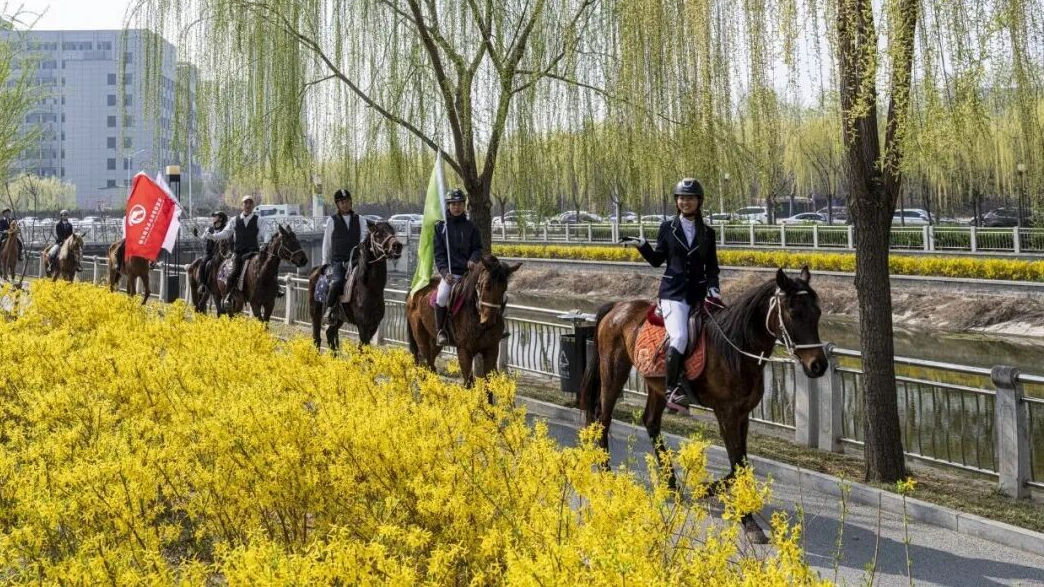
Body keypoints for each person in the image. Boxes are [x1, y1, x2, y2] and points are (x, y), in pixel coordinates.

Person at [623, 178, 721, 407]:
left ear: (699, 201)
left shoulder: (708, 233)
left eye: (690, 198)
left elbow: (712, 267)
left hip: (699, 294)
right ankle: (672, 388)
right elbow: (657, 261)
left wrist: (714, 290)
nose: (685, 202)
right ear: (676, 201)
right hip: (674, 294)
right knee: (680, 336)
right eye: (681, 198)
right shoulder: (667, 228)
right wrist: (642, 245)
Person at [433, 188, 482, 346]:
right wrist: (444, 273)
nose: (457, 207)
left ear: (464, 206)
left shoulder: (471, 227)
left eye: (460, 204)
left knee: (491, 292)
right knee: (441, 297)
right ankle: (441, 331)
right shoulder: (440, 227)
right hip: (451, 275)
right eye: (453, 204)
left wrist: (473, 259)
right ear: (448, 206)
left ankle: (494, 327)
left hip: (470, 274)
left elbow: (477, 248)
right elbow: (439, 254)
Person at [321, 188, 369, 323]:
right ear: (337, 204)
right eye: (342, 202)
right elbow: (327, 243)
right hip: (339, 262)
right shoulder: (332, 221)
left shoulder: (360, 219)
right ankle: (329, 310)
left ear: (351, 202)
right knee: (337, 282)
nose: (345, 204)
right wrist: (325, 262)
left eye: (347, 201)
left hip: (356, 261)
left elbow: (364, 237)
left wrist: (361, 250)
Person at [203, 195, 260, 308]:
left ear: (253, 205)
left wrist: (266, 242)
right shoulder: (234, 220)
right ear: (242, 205)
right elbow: (225, 233)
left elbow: (266, 231)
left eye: (250, 203)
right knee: (232, 274)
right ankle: (228, 296)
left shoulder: (259, 220)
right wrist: (213, 236)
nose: (248, 205)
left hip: (254, 252)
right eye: (245, 203)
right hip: (239, 254)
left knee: (268, 267)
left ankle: (275, 288)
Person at [195, 211, 229, 296]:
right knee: (203, 264)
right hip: (210, 253)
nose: (213, 218)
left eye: (215, 216)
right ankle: (203, 284)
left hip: (222, 254)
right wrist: (196, 235)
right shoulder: (209, 229)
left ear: (220, 218)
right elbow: (202, 239)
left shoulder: (225, 230)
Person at [47, 210, 75, 275]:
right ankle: (50, 265)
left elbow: (71, 235)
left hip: (68, 243)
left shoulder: (70, 225)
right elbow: (58, 234)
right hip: (60, 242)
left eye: (66, 215)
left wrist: (69, 241)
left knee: (76, 253)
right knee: (52, 253)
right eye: (63, 215)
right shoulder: (58, 225)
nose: (65, 216)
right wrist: (63, 240)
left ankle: (77, 265)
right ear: (61, 216)